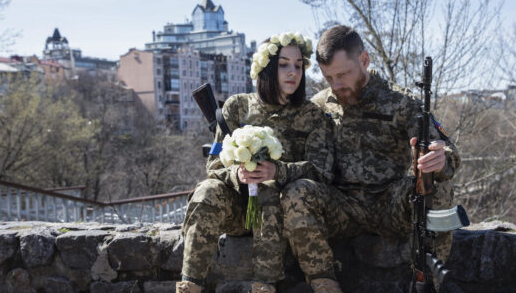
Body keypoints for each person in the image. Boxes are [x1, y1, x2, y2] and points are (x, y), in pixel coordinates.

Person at [280, 25, 460, 293]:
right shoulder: (319, 105)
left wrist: (440, 159)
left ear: (364, 60)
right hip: (342, 206)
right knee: (296, 192)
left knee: (437, 184)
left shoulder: (401, 102)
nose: (336, 85)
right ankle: (324, 283)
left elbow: (449, 152)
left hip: (391, 203)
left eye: (343, 74)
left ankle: (430, 280)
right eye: (329, 77)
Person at [177, 32, 335, 293]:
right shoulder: (236, 107)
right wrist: (237, 175)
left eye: (298, 65)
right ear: (266, 68)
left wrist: (278, 171)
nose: (293, 72)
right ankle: (189, 285)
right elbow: (215, 166)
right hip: (239, 211)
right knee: (205, 191)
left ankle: (264, 287)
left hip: (285, 213)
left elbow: (321, 170)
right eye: (284, 64)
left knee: (268, 191)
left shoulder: (313, 116)